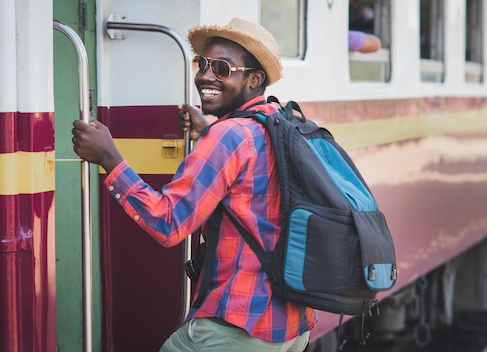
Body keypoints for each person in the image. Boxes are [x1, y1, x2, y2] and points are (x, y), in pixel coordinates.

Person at [71, 17, 316, 352]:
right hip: (291, 325)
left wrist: (109, 158)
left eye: (222, 68)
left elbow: (168, 223)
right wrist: (209, 132)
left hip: (237, 326)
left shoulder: (228, 137)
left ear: (254, 78)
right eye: (202, 64)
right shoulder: (280, 123)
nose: (205, 76)